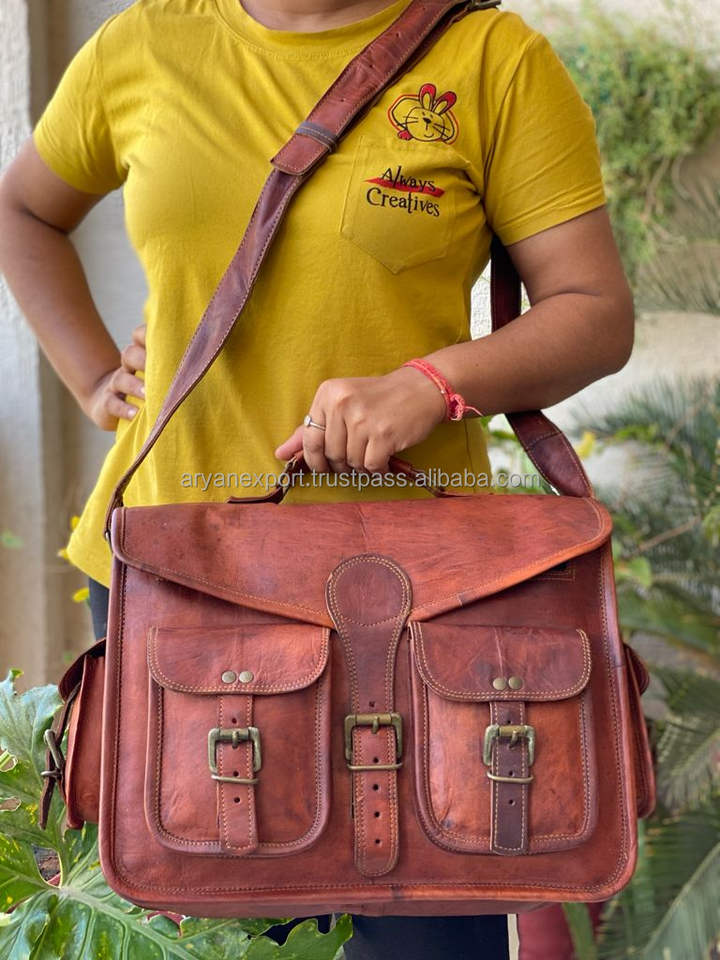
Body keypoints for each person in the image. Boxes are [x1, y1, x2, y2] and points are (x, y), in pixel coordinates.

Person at [0, 0, 634, 955]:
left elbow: (593, 309)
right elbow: (23, 209)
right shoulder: (147, 41)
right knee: (212, 932)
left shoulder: (490, 59)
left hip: (422, 599)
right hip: (179, 579)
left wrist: (432, 385)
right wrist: (94, 377)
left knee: (426, 939)